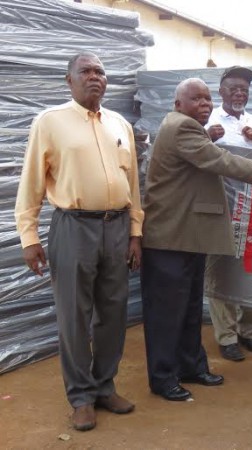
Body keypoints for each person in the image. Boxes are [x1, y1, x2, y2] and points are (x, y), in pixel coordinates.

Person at [141, 77, 252, 401]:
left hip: (187, 235)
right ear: (178, 104)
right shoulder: (181, 128)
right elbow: (224, 161)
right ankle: (162, 378)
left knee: (188, 308)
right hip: (170, 238)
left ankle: (191, 366)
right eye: (196, 99)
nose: (204, 104)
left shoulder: (189, 128)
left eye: (207, 99)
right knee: (166, 313)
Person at [14, 52, 142, 431]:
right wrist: (29, 236)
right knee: (74, 315)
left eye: (101, 71)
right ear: (68, 81)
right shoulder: (50, 122)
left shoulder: (120, 124)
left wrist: (135, 232)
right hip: (73, 227)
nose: (95, 77)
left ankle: (104, 386)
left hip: (117, 227)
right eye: (85, 71)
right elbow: (31, 181)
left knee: (114, 312)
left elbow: (133, 184)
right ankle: (81, 397)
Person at [205, 66, 252, 361]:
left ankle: (249, 330)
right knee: (222, 270)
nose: (240, 93)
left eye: (244, 89)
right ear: (221, 91)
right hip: (221, 206)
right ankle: (227, 336)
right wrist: (207, 136)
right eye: (234, 88)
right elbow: (195, 154)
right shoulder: (209, 120)